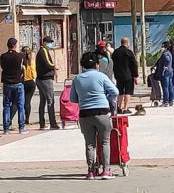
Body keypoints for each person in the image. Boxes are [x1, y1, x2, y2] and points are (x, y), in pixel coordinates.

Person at [70, 51, 119, 180]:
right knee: (104, 141)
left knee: (89, 143)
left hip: (85, 114)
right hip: (102, 112)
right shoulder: (101, 76)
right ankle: (106, 170)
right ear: (96, 65)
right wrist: (106, 97)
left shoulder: (77, 79)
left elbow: (73, 99)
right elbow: (115, 91)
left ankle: (91, 171)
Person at [0, 38, 28, 135]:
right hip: (18, 83)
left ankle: (6, 128)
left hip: (7, 83)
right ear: (15, 45)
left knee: (6, 105)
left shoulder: (3, 56)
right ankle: (21, 127)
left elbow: (2, 66)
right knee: (20, 105)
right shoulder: (20, 56)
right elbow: (25, 65)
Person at [36, 36, 59, 130]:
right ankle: (53, 123)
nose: (50, 44)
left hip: (41, 78)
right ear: (44, 43)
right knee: (50, 100)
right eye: (49, 42)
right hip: (45, 79)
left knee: (43, 101)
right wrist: (55, 66)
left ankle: (42, 123)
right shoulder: (43, 51)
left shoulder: (42, 51)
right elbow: (48, 63)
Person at [111, 37, 139, 114]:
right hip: (128, 75)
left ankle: (119, 107)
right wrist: (135, 75)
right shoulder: (129, 52)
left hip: (118, 75)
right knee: (128, 92)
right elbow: (134, 64)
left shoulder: (115, 52)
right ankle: (125, 108)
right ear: (127, 43)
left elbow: (112, 63)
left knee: (120, 91)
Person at [11, 46, 37, 126]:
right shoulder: (30, 62)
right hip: (30, 83)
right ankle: (27, 119)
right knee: (27, 102)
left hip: (22, 82)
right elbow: (34, 74)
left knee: (15, 102)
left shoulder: (20, 62)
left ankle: (9, 119)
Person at [156, 42, 174, 106]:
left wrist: (165, 65)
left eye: (162, 46)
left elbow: (167, 60)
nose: (161, 48)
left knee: (165, 87)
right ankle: (170, 100)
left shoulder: (165, 54)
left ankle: (166, 101)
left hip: (165, 72)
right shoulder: (169, 53)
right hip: (170, 71)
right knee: (170, 86)